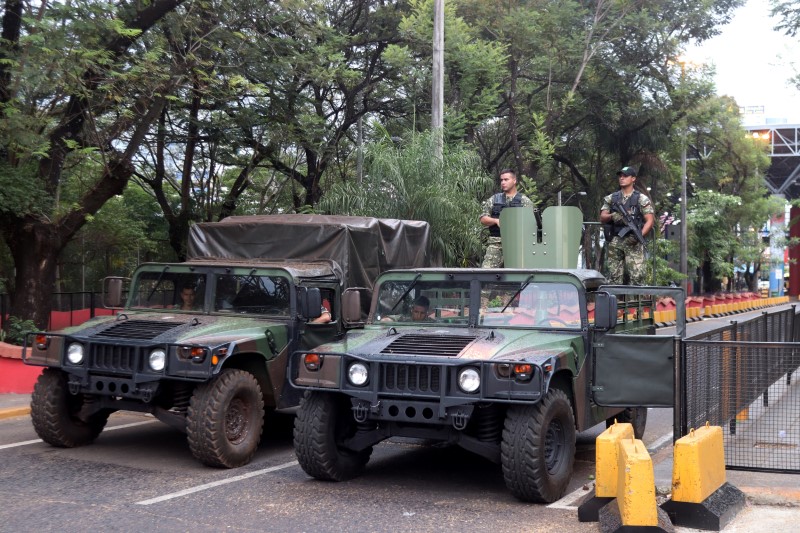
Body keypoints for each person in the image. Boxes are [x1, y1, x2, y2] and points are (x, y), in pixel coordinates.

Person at [599, 166, 655, 285]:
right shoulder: (612, 198)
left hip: (633, 240)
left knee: (637, 277)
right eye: (620, 176)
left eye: (625, 176)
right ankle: (615, 303)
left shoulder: (641, 199)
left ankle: (635, 302)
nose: (622, 178)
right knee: (614, 277)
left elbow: (650, 220)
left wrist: (638, 236)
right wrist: (613, 216)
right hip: (616, 240)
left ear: (633, 178)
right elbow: (602, 217)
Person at [479, 169, 535, 268]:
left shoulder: (525, 201)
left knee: (521, 276)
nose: (503, 182)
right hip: (496, 243)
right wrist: (496, 220)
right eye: (501, 180)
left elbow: (531, 225)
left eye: (506, 179)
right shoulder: (494, 199)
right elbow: (483, 219)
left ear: (514, 181)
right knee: (486, 273)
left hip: (518, 245)